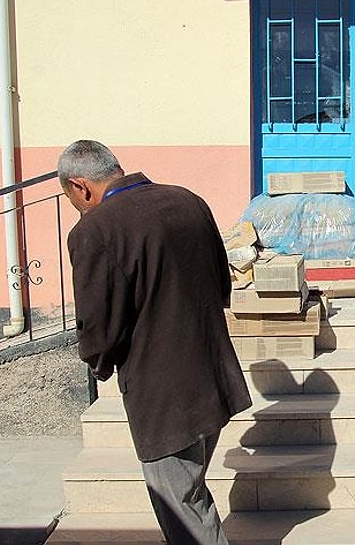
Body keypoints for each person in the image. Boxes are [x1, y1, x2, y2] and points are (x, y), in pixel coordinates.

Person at [58, 140, 252, 544]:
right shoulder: (188, 200)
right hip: (212, 375)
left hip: (162, 394)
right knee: (191, 494)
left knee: (181, 507)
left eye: (72, 199)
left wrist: (97, 360)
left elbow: (97, 326)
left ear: (81, 187)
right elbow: (222, 283)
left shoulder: (93, 229)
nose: (78, 207)